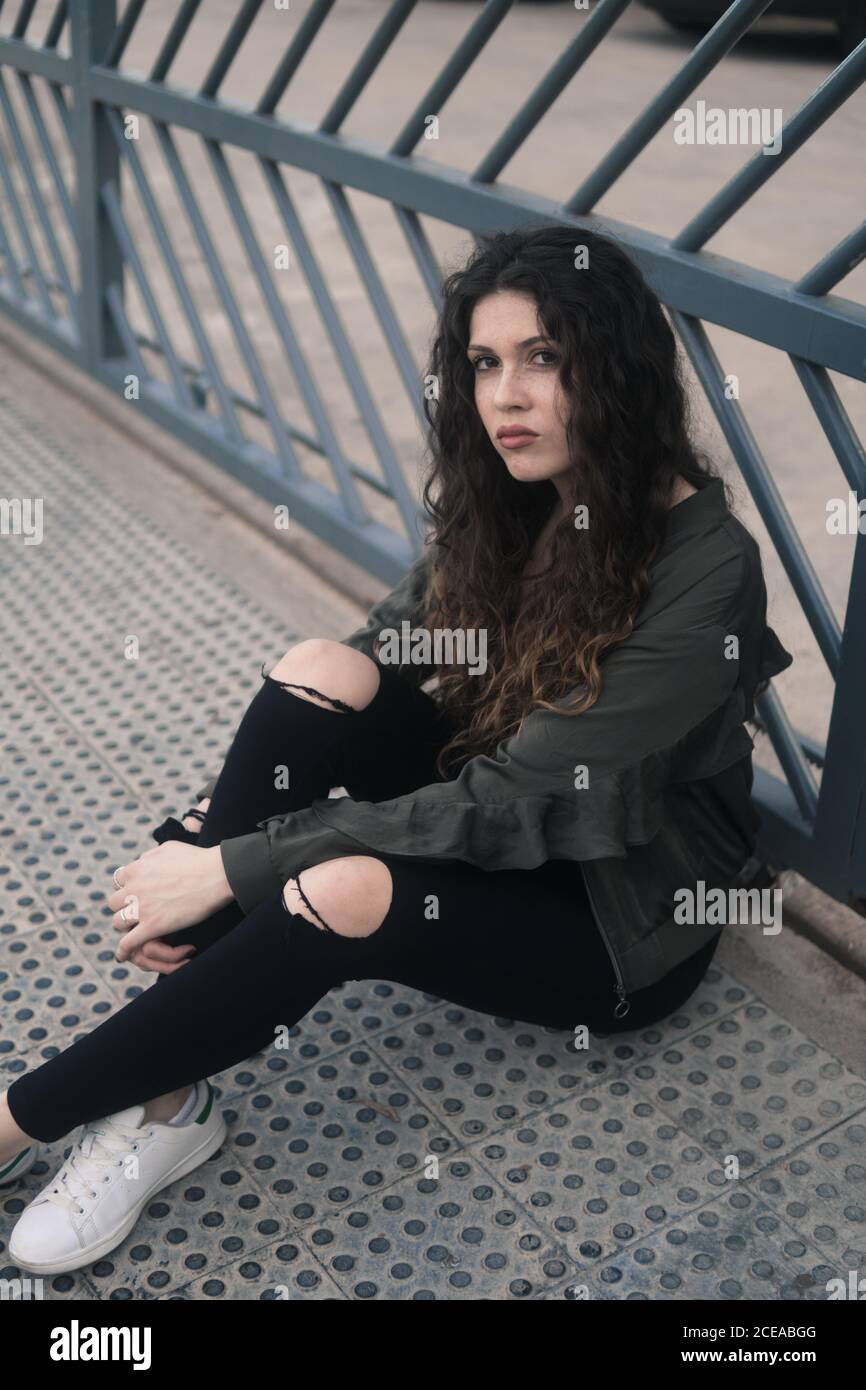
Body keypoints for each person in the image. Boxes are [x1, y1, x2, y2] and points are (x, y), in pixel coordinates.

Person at [0, 224, 792, 1275]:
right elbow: (389, 648)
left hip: (611, 915)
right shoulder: (519, 495)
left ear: (618, 368)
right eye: (484, 363)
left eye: (543, 358)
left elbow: (513, 797)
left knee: (343, 891)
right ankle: (163, 1098)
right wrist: (223, 819)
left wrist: (239, 862)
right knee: (319, 668)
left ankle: (24, 1118)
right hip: (495, 789)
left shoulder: (708, 573)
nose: (504, 396)